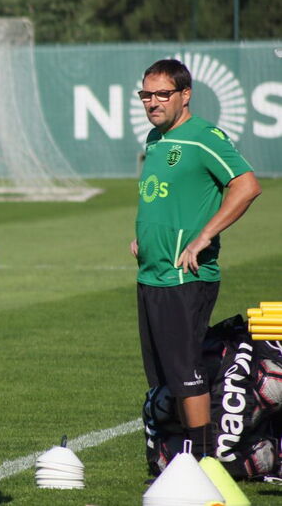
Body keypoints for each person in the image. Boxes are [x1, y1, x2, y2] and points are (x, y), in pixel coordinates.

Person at [131, 58, 261, 460]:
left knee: (187, 373)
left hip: (185, 277)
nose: (153, 102)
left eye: (162, 94)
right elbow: (164, 197)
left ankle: (203, 460)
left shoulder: (204, 136)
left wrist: (205, 235)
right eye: (146, 94)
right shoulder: (155, 138)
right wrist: (142, 237)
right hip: (152, 274)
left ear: (185, 94)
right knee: (167, 375)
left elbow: (246, 186)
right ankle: (181, 456)